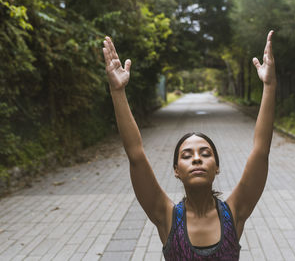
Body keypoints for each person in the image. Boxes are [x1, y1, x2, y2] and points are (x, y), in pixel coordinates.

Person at [102, 30, 276, 260]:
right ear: (176, 170)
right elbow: (135, 155)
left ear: (217, 166)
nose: (196, 158)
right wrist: (117, 91)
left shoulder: (234, 212)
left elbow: (261, 151)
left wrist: (270, 85)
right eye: (186, 155)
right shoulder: (166, 216)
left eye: (205, 153)